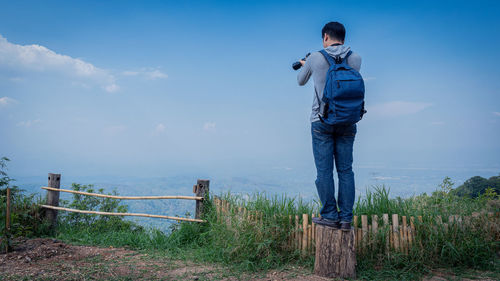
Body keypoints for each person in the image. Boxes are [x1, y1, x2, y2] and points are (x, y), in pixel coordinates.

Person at [297, 21, 362, 230]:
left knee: (324, 172)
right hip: (348, 121)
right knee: (346, 170)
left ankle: (330, 215)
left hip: (321, 121)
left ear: (325, 37)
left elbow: (301, 80)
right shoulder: (356, 58)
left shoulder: (315, 57)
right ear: (343, 37)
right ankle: (345, 219)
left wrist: (306, 63)